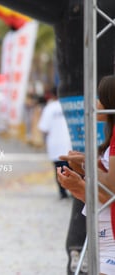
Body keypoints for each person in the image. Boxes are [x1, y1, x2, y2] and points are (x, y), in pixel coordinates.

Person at [57, 75, 115, 275]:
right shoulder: (110, 139)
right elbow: (101, 195)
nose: (96, 104)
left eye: (100, 98)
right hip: (103, 236)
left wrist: (85, 167)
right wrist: (77, 182)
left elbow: (109, 192)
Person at [38, 86, 72, 199]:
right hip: (70, 144)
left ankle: (62, 192)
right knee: (72, 168)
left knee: (59, 170)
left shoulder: (50, 108)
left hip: (55, 145)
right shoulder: (70, 106)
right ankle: (74, 191)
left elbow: (44, 128)